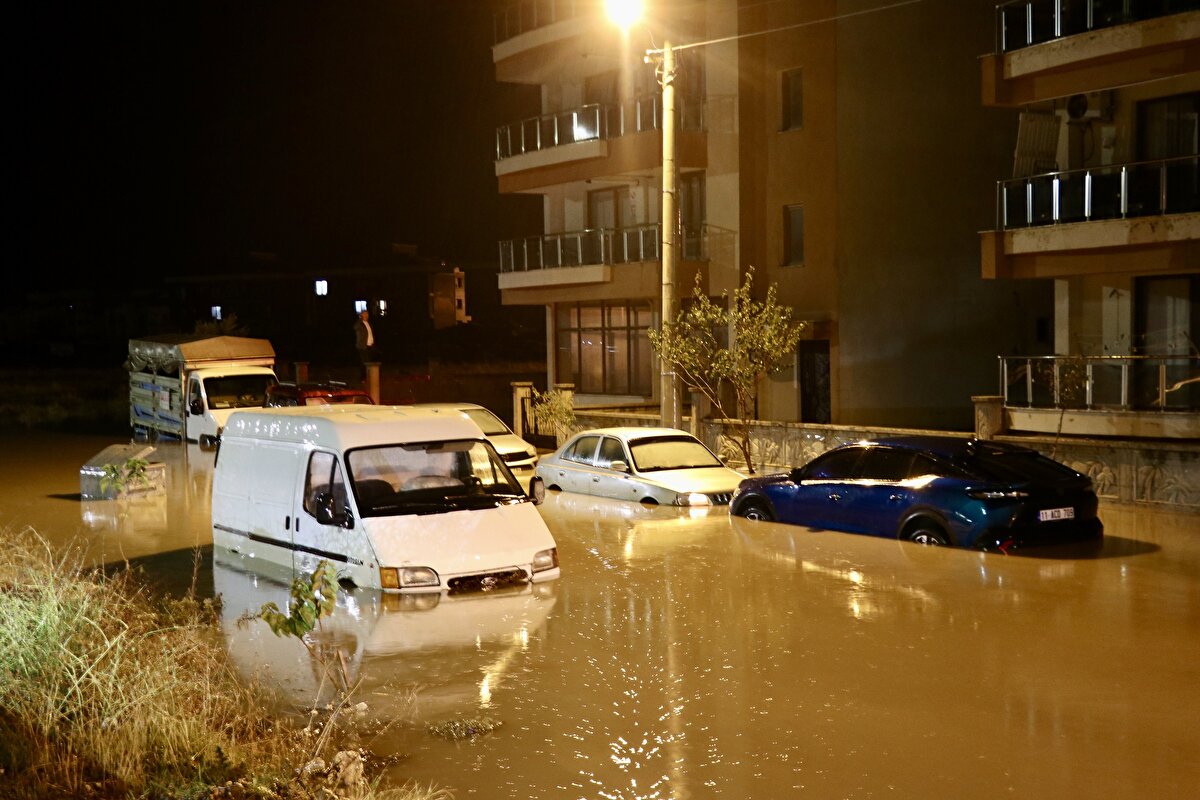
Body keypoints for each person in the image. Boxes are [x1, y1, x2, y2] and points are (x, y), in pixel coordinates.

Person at [353, 309, 376, 381]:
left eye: (367, 314)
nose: (366, 315)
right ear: (361, 315)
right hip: (362, 346)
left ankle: (367, 377)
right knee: (364, 362)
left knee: (369, 362)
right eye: (364, 314)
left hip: (370, 345)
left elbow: (370, 334)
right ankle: (362, 378)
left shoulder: (368, 323)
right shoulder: (359, 324)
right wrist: (360, 319)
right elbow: (355, 327)